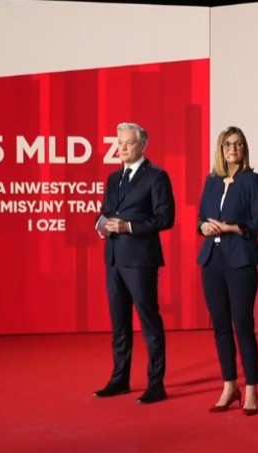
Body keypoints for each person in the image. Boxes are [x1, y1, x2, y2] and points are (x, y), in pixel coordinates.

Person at [93, 122, 175, 404]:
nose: (122, 147)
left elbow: (166, 218)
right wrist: (100, 224)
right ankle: (120, 379)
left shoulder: (156, 177)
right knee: (119, 323)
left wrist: (128, 226)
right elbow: (106, 211)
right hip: (114, 258)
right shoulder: (114, 177)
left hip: (141, 260)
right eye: (120, 142)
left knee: (149, 322)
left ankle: (156, 384)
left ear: (142, 145)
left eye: (128, 143)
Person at [197, 126, 258, 416]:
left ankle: (251, 387)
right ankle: (229, 385)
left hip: (240, 259)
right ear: (221, 149)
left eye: (239, 144)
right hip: (212, 260)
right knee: (220, 326)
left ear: (244, 149)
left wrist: (232, 228)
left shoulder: (252, 180)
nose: (233, 148)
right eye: (228, 144)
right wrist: (204, 226)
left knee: (243, 324)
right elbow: (201, 217)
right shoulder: (212, 181)